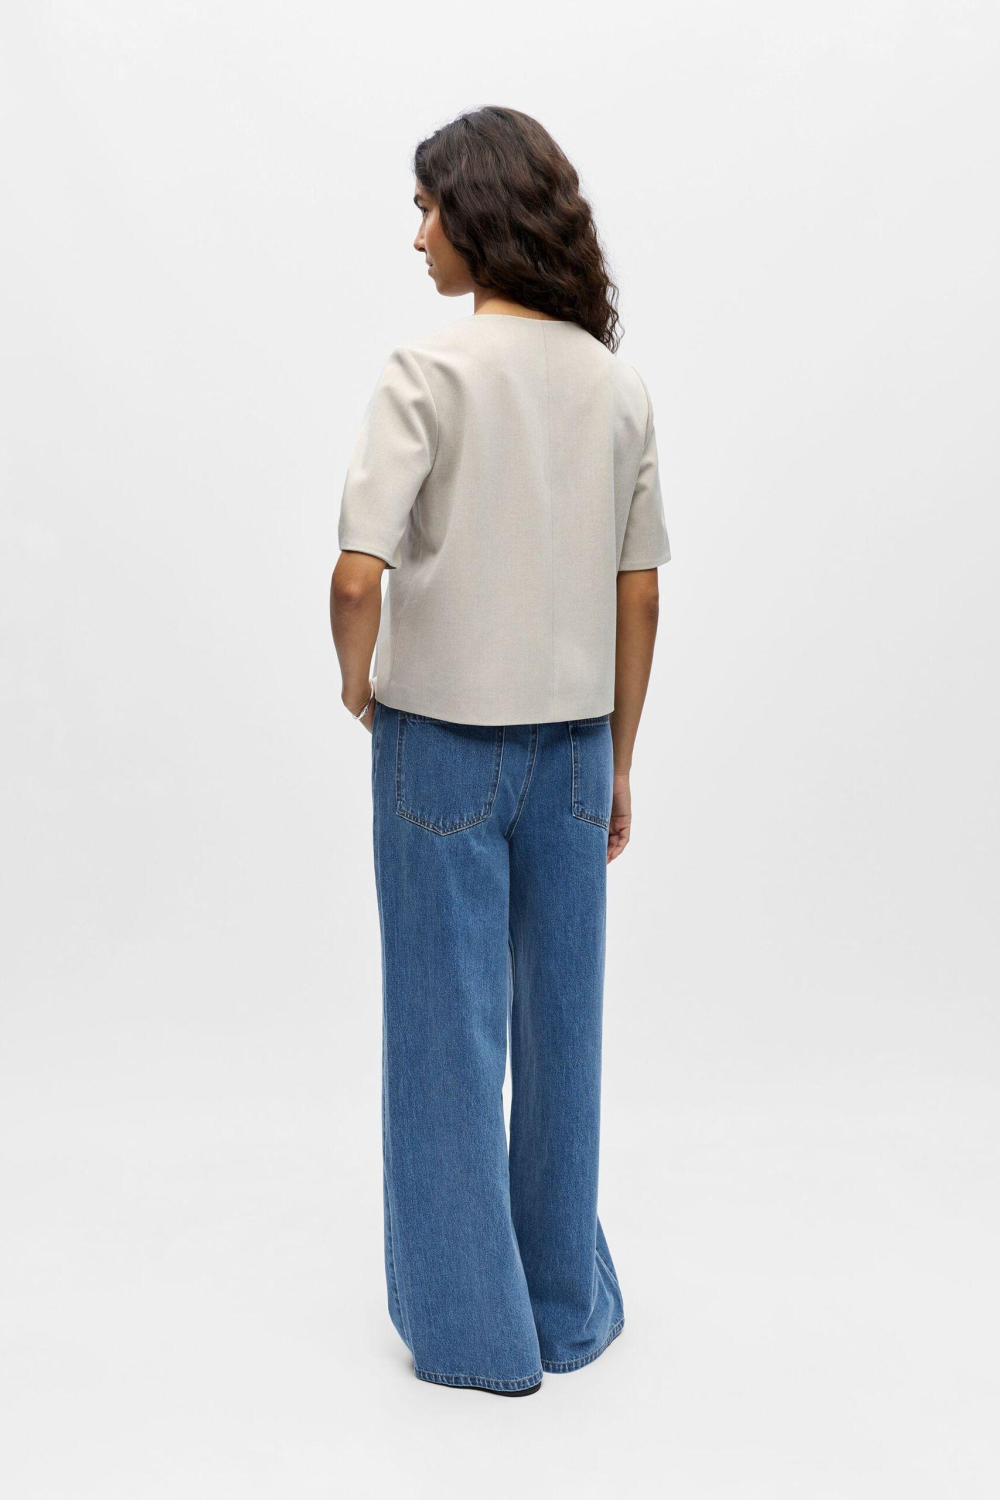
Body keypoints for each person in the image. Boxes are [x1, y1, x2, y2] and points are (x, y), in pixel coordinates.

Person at [330, 106, 670, 1396]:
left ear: (480, 214)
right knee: (563, 1032)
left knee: (445, 1038)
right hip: (575, 747)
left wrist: (355, 681)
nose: (418, 235)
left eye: (429, 208)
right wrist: (620, 758)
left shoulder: (426, 373)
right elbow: (641, 594)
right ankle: (564, 1311)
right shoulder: (617, 386)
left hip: (440, 747)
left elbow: (355, 575)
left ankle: (478, 1340)